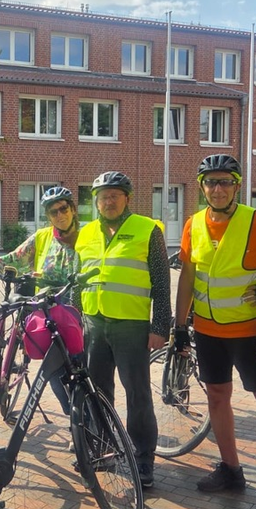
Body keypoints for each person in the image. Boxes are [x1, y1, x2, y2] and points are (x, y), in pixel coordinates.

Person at [174, 154, 256, 492]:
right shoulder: (194, 223)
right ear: (202, 186)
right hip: (207, 330)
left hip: (248, 330)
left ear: (237, 185)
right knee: (217, 396)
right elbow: (188, 276)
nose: (218, 188)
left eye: (225, 181)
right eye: (211, 182)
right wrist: (178, 325)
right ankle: (231, 469)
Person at [75, 171, 170, 489]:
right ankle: (101, 449)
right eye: (102, 196)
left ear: (127, 198)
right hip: (94, 323)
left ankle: (143, 458)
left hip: (131, 325)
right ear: (96, 201)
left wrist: (160, 326)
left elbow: (161, 282)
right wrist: (77, 320)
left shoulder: (147, 229)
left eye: (115, 194)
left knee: (138, 394)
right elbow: (79, 279)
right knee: (97, 391)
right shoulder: (86, 232)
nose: (108, 200)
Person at [0, 186, 81, 418]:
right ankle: (75, 419)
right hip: (48, 314)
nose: (59, 215)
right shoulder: (42, 237)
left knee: (79, 370)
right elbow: (15, 258)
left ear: (72, 208)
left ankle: (90, 420)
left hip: (78, 314)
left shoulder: (87, 236)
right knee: (54, 372)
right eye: (53, 212)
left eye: (63, 208)